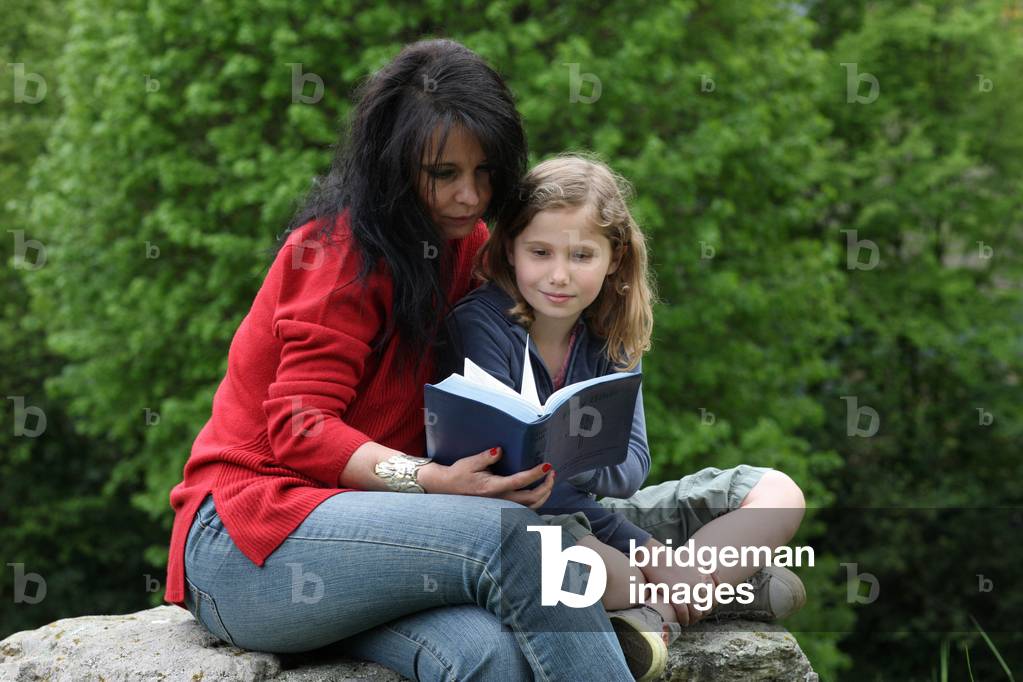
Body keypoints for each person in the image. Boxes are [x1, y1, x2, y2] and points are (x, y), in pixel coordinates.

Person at [164, 39, 638, 681]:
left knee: (494, 657)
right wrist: (430, 480)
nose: (470, 197)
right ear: (394, 167)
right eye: (443, 174)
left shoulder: (469, 247)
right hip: (252, 541)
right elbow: (300, 427)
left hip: (373, 553)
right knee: (522, 546)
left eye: (486, 172)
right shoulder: (337, 254)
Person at [437, 153, 808, 681]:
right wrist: (647, 549)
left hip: (603, 511)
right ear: (510, 250)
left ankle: (657, 613)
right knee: (594, 570)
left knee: (777, 493)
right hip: (526, 525)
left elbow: (633, 467)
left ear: (614, 258)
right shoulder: (481, 327)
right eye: (539, 252)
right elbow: (514, 481)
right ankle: (727, 587)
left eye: (582, 255)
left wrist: (568, 456)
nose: (559, 275)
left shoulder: (611, 330)